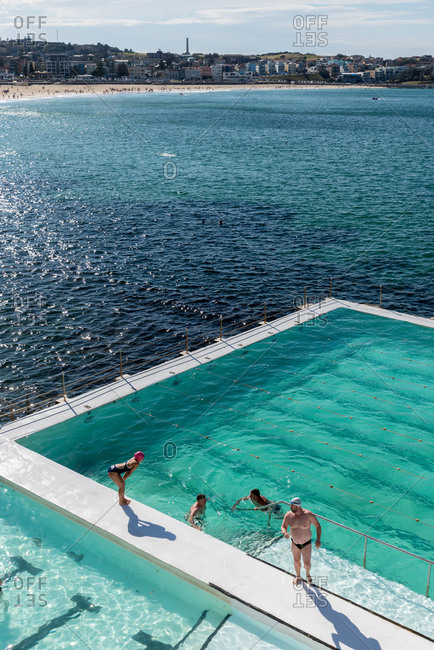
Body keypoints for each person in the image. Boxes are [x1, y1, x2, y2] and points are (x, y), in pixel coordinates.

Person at [281, 496, 321, 586]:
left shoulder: (308, 515)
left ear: (297, 506)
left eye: (292, 506)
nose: (290, 507)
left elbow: (318, 526)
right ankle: (298, 576)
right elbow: (283, 526)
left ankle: (307, 574)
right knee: (296, 561)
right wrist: (284, 533)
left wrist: (318, 540)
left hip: (306, 543)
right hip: (294, 543)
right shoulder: (289, 515)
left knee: (306, 564)